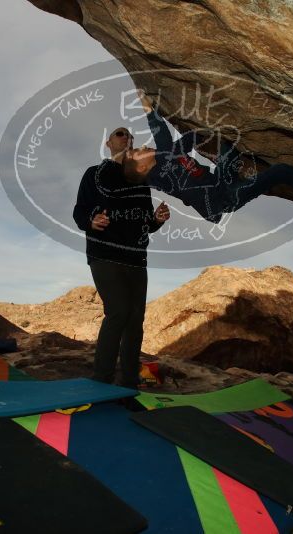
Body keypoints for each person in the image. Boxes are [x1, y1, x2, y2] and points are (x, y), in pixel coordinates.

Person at [123, 92, 293, 223]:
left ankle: (235, 158)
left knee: (228, 149)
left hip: (220, 180)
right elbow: (164, 140)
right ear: (143, 166)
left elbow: (185, 140)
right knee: (279, 172)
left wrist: (206, 131)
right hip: (223, 198)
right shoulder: (160, 176)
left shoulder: (165, 160)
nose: (141, 146)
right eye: (137, 153)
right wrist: (146, 105)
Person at [73, 126, 171, 387]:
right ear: (108, 143)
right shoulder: (94, 174)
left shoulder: (140, 182)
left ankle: (129, 383)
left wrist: (156, 220)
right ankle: (101, 382)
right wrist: (91, 221)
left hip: (137, 258)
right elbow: (79, 212)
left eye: (130, 136)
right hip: (105, 254)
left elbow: (144, 223)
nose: (127, 137)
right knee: (118, 312)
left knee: (136, 320)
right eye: (120, 133)